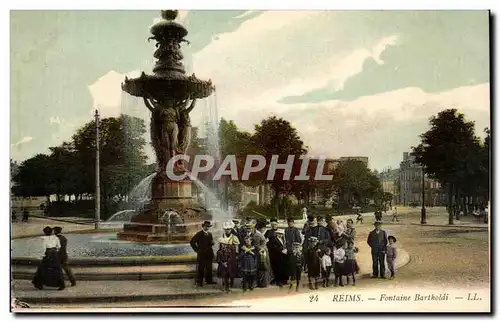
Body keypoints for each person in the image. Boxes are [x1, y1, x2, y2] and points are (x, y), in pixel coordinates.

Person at [190, 221, 216, 287]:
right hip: (202, 254)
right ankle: (199, 282)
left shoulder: (210, 234)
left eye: (208, 226)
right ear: (203, 226)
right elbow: (192, 242)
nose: (207, 228)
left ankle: (209, 281)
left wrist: (212, 243)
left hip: (209, 254)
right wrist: (197, 250)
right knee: (201, 268)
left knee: (209, 268)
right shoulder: (199, 234)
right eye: (206, 226)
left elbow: (210, 243)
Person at [216, 222, 239, 292]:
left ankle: (230, 283)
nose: (227, 230)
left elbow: (236, 248)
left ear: (231, 229)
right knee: (224, 270)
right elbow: (219, 247)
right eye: (226, 229)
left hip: (231, 256)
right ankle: (224, 284)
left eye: (228, 229)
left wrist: (236, 255)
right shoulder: (221, 237)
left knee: (231, 270)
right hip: (223, 256)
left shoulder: (234, 237)